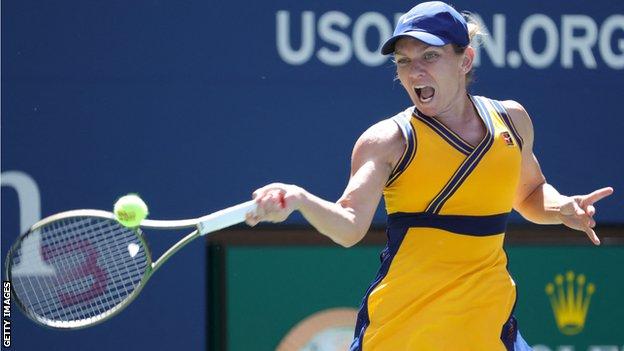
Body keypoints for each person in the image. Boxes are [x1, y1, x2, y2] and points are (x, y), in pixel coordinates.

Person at [245, 1, 614, 350]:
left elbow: (530, 193)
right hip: (402, 336)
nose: (415, 71)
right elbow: (349, 224)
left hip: (488, 333)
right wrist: (299, 200)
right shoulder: (388, 141)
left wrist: (563, 207)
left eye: (430, 56)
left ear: (465, 60)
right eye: (404, 61)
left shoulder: (512, 122)